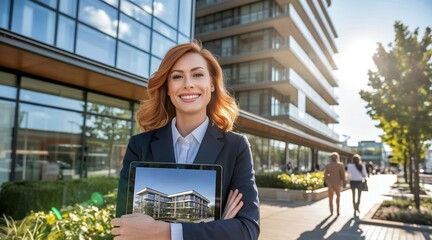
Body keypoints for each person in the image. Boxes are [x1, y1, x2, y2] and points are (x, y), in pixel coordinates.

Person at [111, 41, 260, 240]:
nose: (188, 83)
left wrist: (164, 232)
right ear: (169, 88)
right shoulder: (140, 146)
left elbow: (246, 230)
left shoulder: (236, 147)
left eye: (197, 74)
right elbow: (125, 228)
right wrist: (218, 226)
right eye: (177, 76)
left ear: (212, 84)